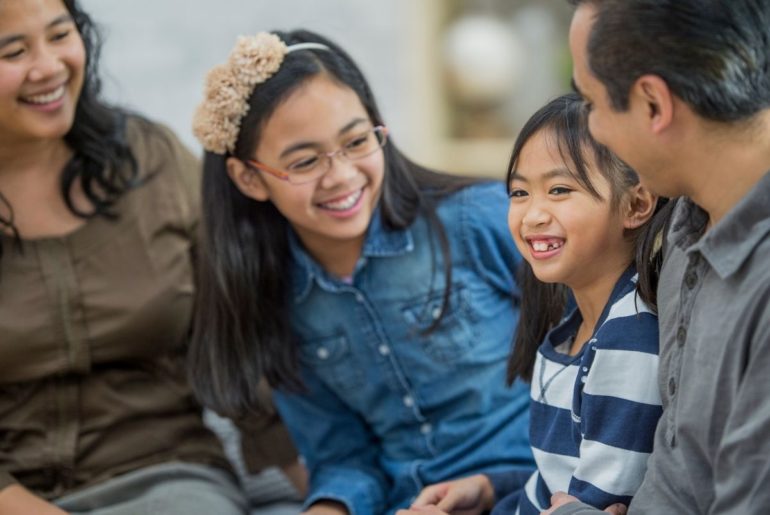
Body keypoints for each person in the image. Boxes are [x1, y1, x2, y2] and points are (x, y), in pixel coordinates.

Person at [187, 29, 534, 515]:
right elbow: (343, 458)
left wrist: (501, 485)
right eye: (305, 161)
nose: (342, 176)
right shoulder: (281, 300)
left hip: (535, 488)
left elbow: (592, 367)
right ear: (250, 178)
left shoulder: (477, 220)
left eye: (355, 141)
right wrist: (329, 508)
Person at [0, 1, 301, 514]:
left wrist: (326, 485)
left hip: (168, 479)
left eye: (59, 35)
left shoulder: (150, 160)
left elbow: (234, 338)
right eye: (13, 50)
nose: (49, 66)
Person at [547, 0, 770, 513]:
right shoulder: (686, 223)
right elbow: (682, 468)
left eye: (593, 103)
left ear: (653, 103)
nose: (593, 129)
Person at [400, 93, 671, 515]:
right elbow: (557, 482)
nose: (532, 215)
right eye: (520, 192)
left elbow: (589, 505)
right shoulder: (578, 323)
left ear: (636, 204)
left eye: (559, 189)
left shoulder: (628, 340)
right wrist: (491, 490)